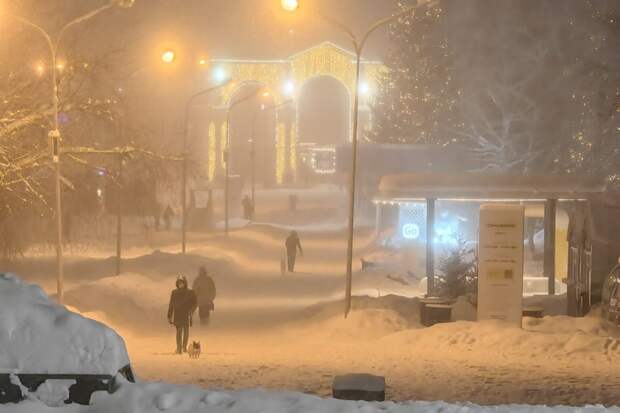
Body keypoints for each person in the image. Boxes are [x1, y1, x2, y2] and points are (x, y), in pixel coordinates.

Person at [167, 275, 197, 354]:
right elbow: (171, 304)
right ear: (177, 284)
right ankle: (179, 348)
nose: (180, 284)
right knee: (179, 331)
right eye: (179, 283)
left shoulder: (190, 292)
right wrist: (169, 315)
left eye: (182, 283)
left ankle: (184, 347)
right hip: (178, 314)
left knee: (186, 331)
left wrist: (191, 312)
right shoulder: (174, 293)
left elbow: (195, 303)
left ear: (185, 283)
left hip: (186, 314)